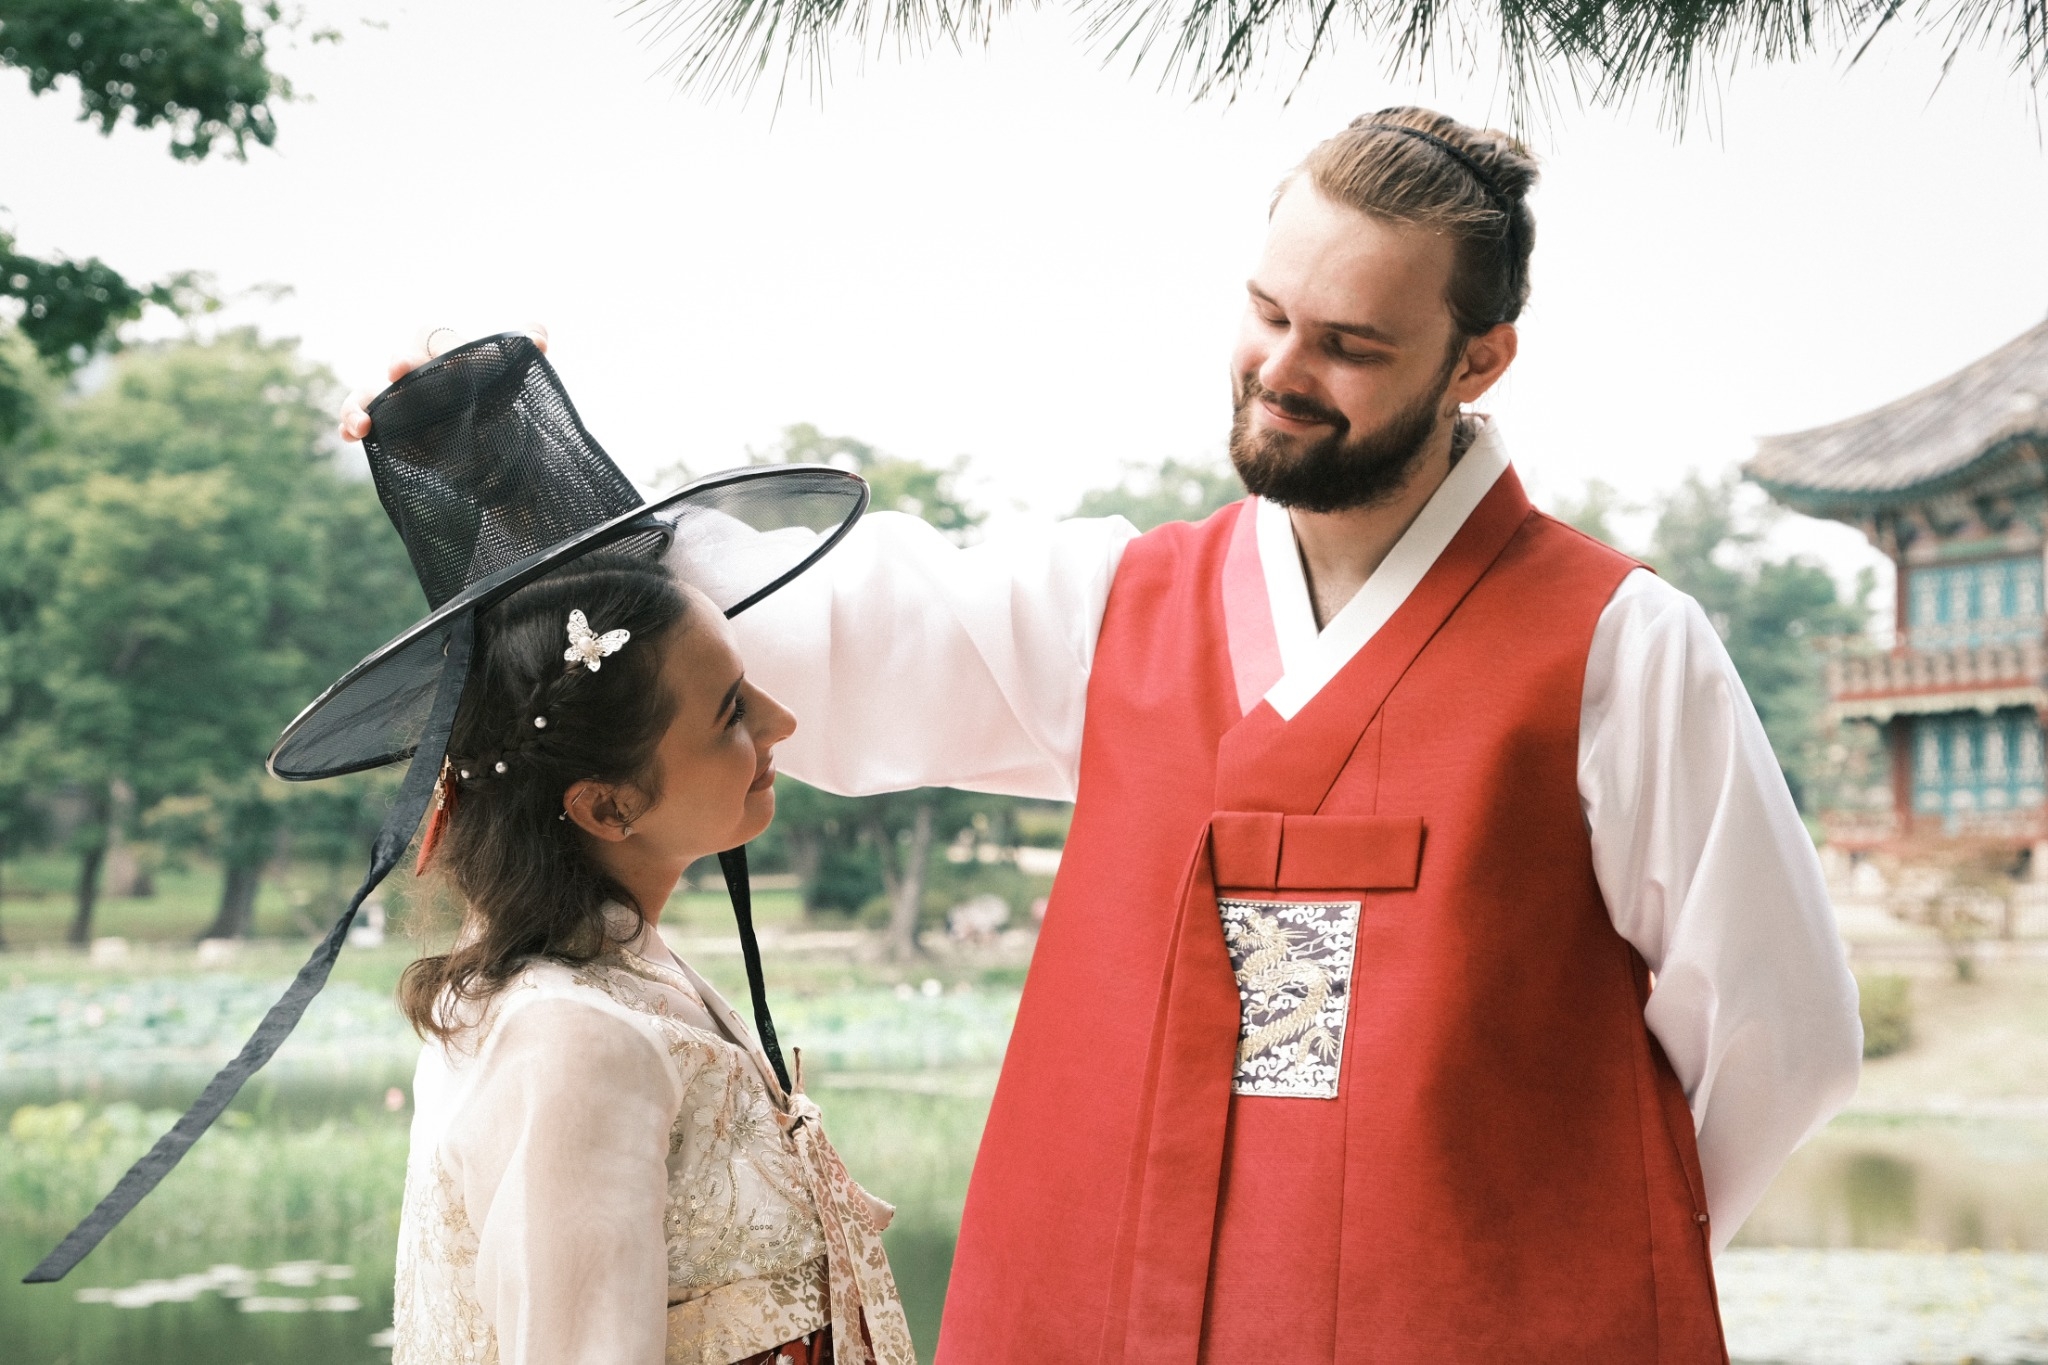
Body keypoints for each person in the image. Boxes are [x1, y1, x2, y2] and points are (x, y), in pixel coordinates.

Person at [346, 107, 1861, 1360]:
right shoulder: (1120, 607)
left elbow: (1777, 1036)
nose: (1281, 368)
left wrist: (1566, 1269)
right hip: (1107, 1313)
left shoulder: (1616, 647)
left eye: (1350, 342)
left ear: (1479, 361)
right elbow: (811, 630)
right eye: (1267, 313)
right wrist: (511, 479)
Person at [391, 549, 914, 1365]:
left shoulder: (622, 971)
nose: (781, 723)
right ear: (607, 804)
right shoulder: (568, 1039)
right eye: (732, 710)